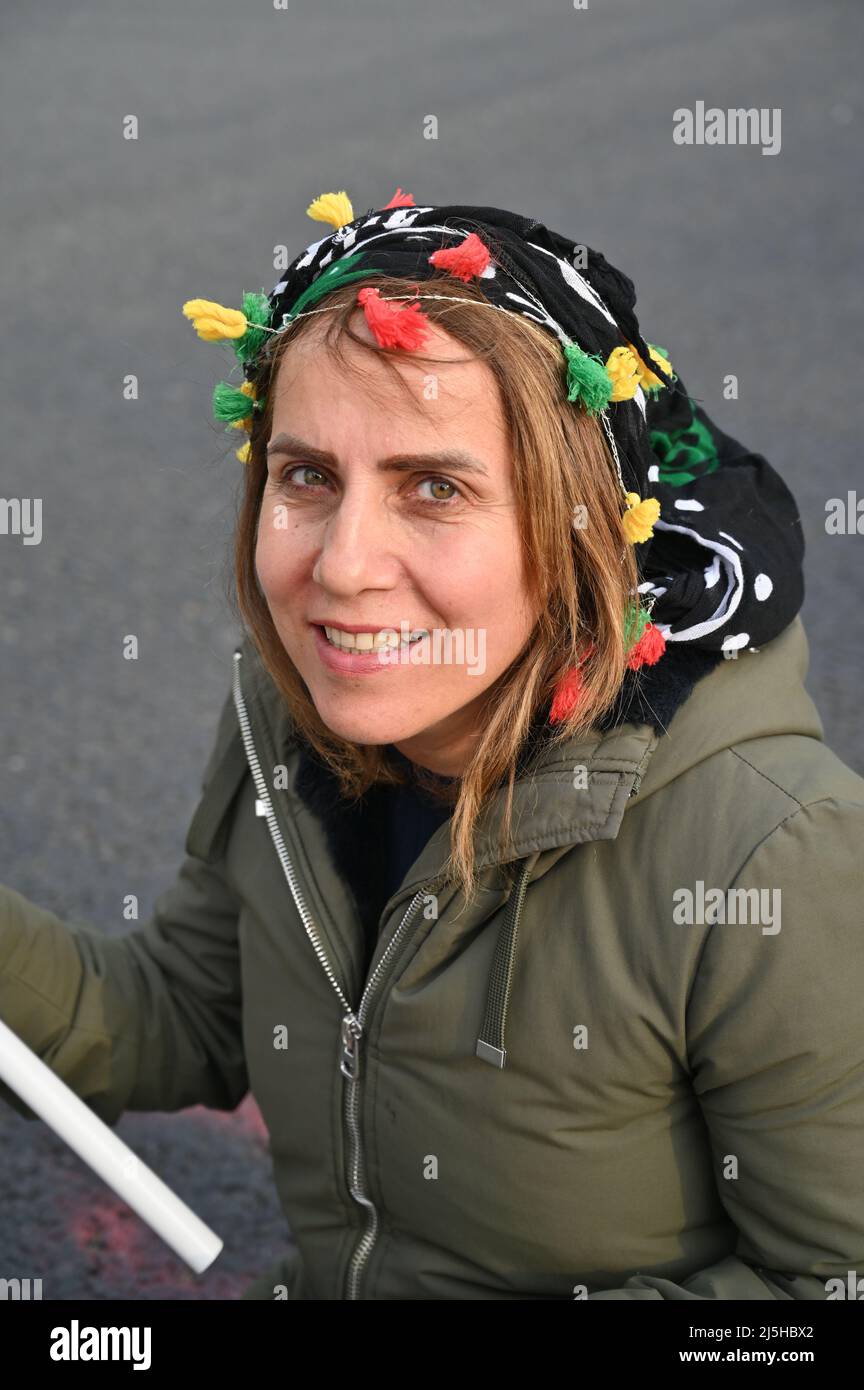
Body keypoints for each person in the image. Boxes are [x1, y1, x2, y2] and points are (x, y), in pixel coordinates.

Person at [2, 189, 863, 1302]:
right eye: (307, 475)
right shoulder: (289, 718)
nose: (344, 565)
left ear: (577, 526)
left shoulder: (774, 854)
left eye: (435, 487)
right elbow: (182, 1014)